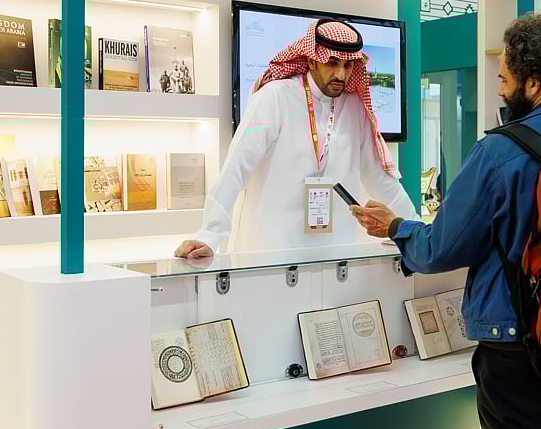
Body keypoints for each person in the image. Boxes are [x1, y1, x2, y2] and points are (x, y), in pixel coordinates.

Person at [351, 11, 541, 429]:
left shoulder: (498, 152)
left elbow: (442, 248)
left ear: (533, 83)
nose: (499, 89)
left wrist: (396, 227)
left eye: (504, 78)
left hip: (515, 350)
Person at [175, 19, 418, 258]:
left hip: (334, 252)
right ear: (312, 60)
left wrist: (415, 228)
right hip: (272, 249)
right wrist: (209, 235)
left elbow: (380, 177)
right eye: (332, 63)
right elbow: (235, 169)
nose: (341, 74)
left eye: (348, 66)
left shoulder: (354, 107)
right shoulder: (275, 97)